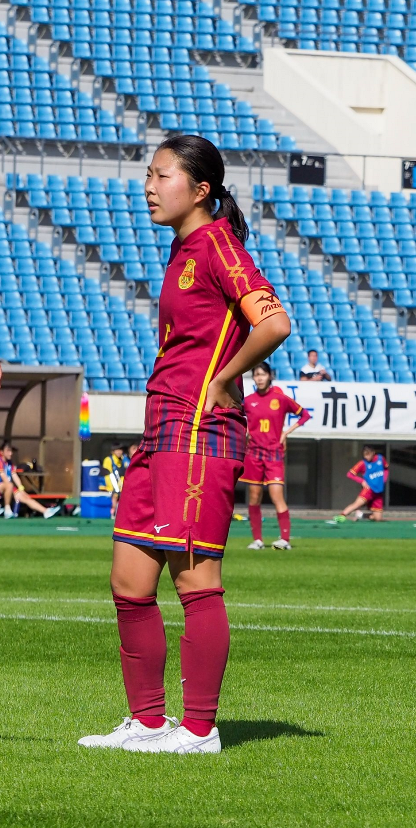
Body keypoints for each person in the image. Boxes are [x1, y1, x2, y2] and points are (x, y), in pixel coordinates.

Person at [78, 134, 290, 756]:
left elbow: (273, 321)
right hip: (162, 430)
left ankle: (199, 730)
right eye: (148, 173)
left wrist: (225, 379)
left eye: (161, 174)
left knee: (196, 582)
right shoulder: (183, 249)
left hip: (200, 432)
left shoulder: (220, 245)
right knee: (128, 582)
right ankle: (147, 722)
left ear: (200, 190)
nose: (148, 185)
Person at [240, 361, 310, 551]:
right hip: (253, 454)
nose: (259, 378)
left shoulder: (280, 398)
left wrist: (286, 433)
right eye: (256, 375)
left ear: (270, 376)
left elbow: (304, 415)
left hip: (274, 454)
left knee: (276, 495)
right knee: (254, 497)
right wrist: (245, 432)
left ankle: (284, 539)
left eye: (263, 374)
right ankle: (258, 540)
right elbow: (237, 420)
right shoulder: (248, 401)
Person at [0, 440, 61, 519]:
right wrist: (13, 490)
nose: (10, 453)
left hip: (7, 487)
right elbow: (4, 478)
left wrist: (21, 488)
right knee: (10, 485)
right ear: (1, 452)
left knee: (25, 496)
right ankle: (7, 510)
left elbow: (14, 476)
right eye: (8, 451)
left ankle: (45, 511)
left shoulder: (10, 463)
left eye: (11, 451)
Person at [336, 445, 387, 522]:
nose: (366, 457)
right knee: (356, 504)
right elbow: (350, 474)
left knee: (378, 519)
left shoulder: (380, 459)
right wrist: (362, 481)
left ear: (373, 453)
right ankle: (342, 515)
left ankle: (360, 515)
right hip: (369, 490)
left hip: (378, 491)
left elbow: (386, 469)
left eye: (368, 454)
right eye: (364, 455)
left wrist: (384, 479)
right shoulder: (362, 463)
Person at [103, 442, 128, 517]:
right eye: (117, 450)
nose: (119, 452)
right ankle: (112, 512)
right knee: (115, 494)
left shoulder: (123, 459)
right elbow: (107, 474)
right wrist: (112, 487)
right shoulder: (108, 460)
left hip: (120, 483)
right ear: (113, 451)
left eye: (120, 450)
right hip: (111, 483)